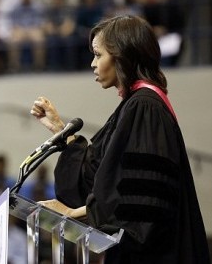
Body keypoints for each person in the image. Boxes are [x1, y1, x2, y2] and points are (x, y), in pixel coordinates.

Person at [30, 15, 210, 263]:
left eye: (98, 54)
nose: (93, 63)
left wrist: (73, 213)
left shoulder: (145, 108)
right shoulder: (133, 106)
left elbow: (139, 206)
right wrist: (62, 132)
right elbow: (102, 180)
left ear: (122, 55)